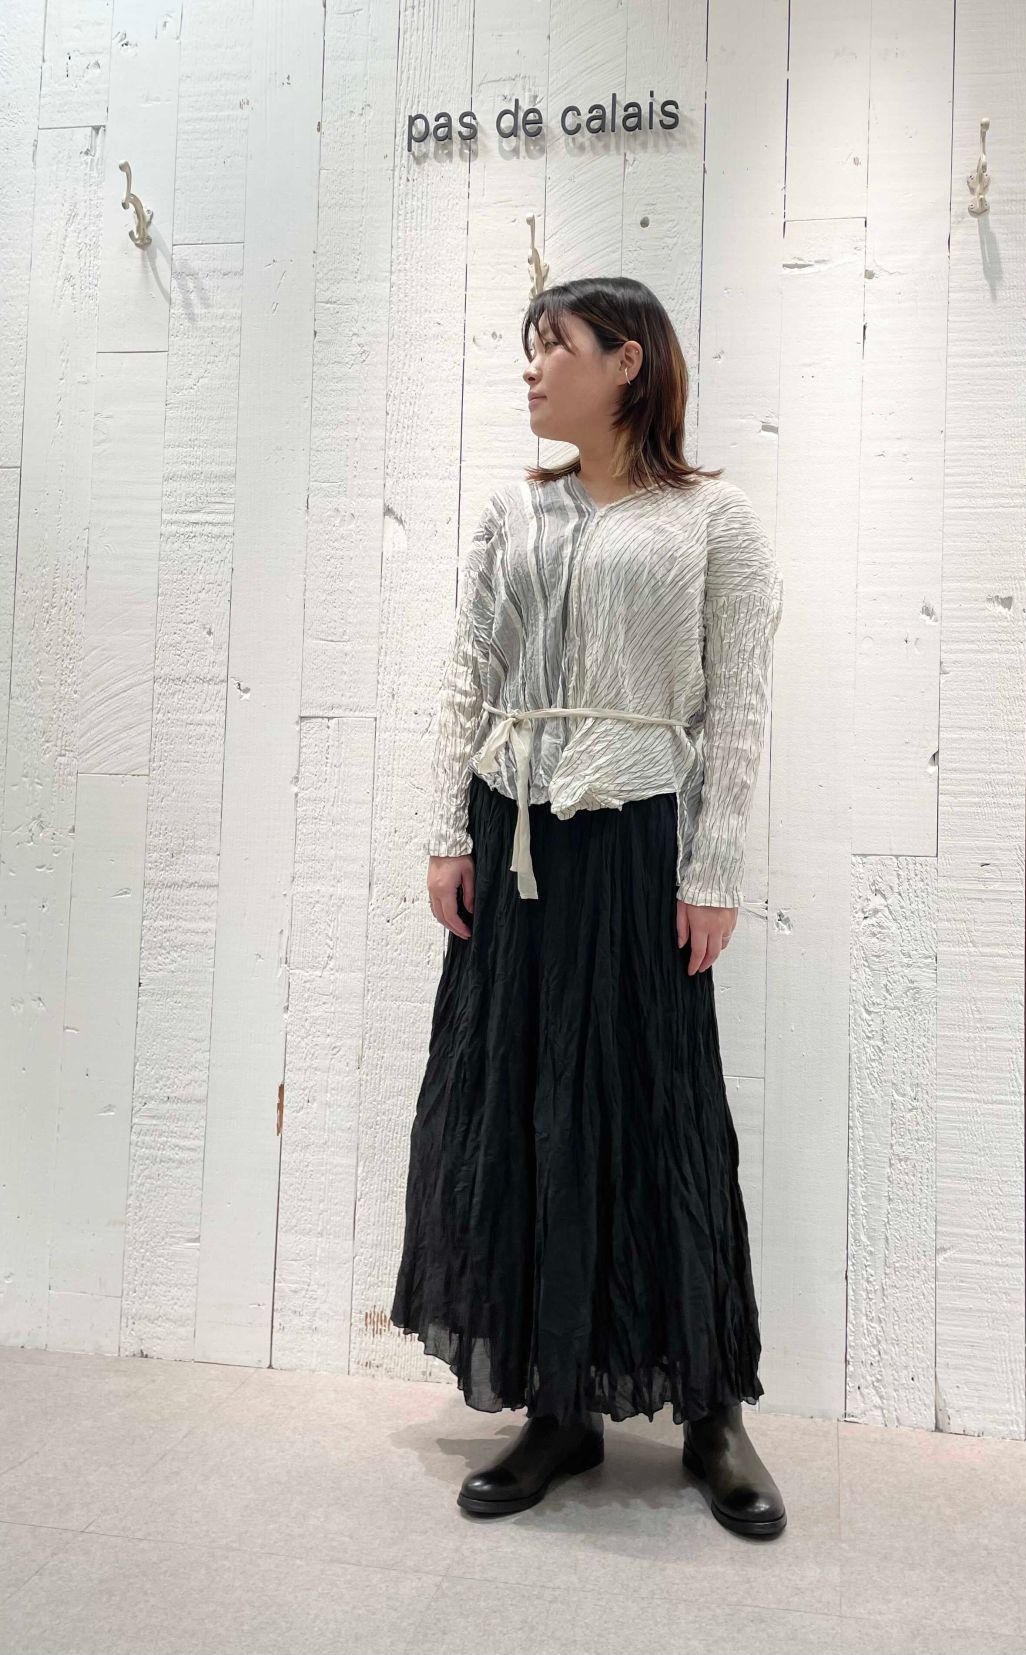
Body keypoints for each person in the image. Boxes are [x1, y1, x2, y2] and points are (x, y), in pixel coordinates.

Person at [389, 275, 786, 1539]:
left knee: (658, 1110)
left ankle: (711, 1406)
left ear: (625, 361)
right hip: (509, 833)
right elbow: (468, 672)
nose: (529, 369)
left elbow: (736, 704)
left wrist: (711, 869)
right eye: (527, 349)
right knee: (523, 1107)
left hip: (632, 842)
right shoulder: (513, 510)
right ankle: (557, 1403)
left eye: (550, 347)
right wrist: (445, 830)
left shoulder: (712, 519)